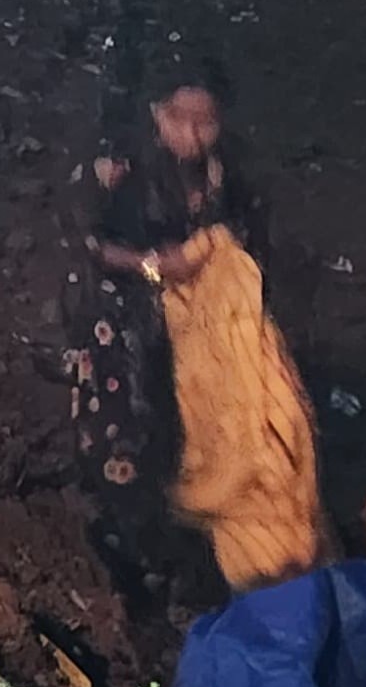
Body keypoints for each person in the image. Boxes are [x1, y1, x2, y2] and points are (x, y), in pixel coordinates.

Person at [75, 85, 324, 600]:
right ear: (155, 111)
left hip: (200, 323)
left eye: (204, 121)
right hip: (121, 315)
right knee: (134, 440)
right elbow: (86, 241)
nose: (191, 133)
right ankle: (146, 571)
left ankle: (229, 564)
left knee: (254, 425)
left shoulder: (226, 174)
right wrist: (153, 267)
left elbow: (247, 251)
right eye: (178, 117)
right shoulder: (119, 168)